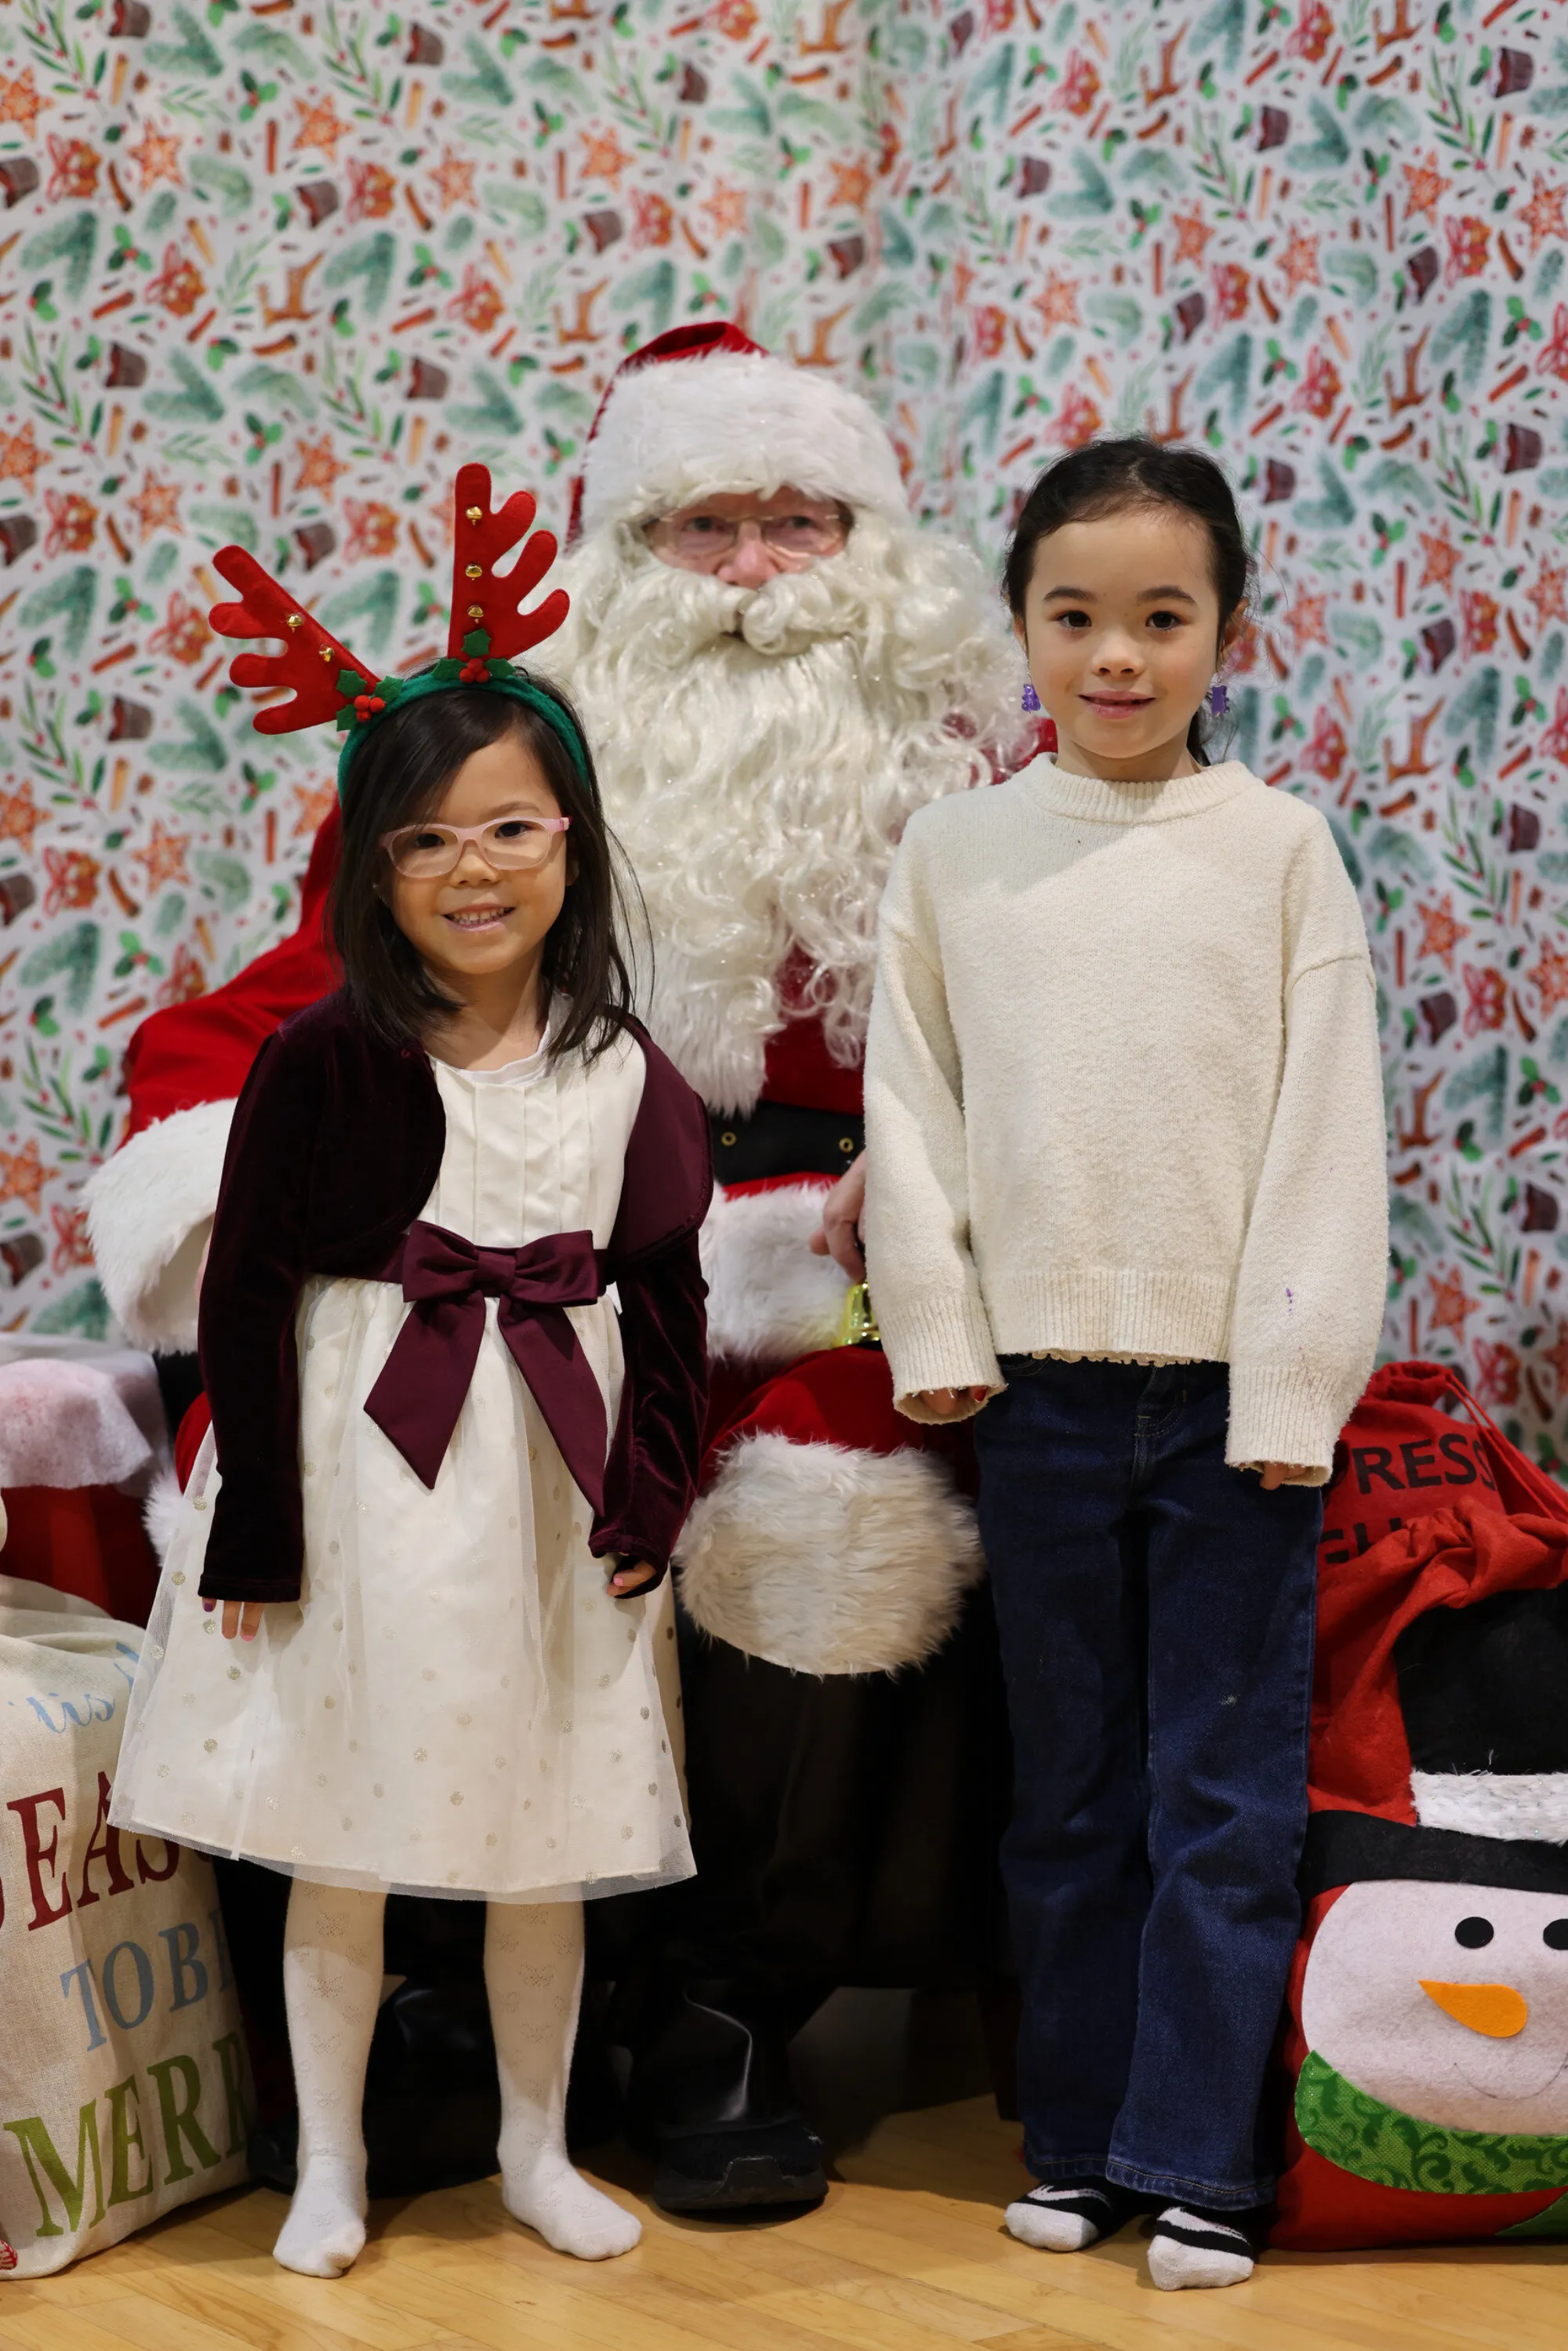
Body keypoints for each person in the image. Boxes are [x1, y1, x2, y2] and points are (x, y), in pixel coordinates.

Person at [88, 326, 1030, 2213]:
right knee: (379, 1468)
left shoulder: (977, 775)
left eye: (800, 520)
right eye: (704, 525)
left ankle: (721, 2006)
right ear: (624, 551)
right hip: (510, 1245)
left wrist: (937, 1178)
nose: (755, 571)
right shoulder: (507, 769)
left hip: (847, 1250)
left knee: (829, 1491)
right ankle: (444, 1991)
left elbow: (1066, 1051)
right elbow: (287, 1013)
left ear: (876, 545)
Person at [110, 472, 713, 2277]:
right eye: (429, 839)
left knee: (546, 1834)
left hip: (547, 1488)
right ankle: (330, 2162)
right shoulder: (326, 1057)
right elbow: (248, 1296)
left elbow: (664, 1292)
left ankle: (535, 2143)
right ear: (373, 865)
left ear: (572, 843)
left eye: (511, 828)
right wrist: (259, 1525)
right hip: (363, 1478)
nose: (474, 868)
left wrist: (652, 1486)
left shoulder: (620, 1064)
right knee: (339, 1832)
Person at [862, 439, 1389, 2290]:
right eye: (1073, 614)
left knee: (1223, 1797)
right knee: (1068, 1790)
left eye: (1160, 618)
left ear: (1224, 634)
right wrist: (939, 1333)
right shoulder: (957, 852)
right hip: (1038, 1396)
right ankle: (1078, 2139)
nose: (1114, 655)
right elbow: (910, 1109)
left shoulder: (1276, 850)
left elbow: (1327, 1134)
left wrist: (1294, 1387)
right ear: (1021, 626)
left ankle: (1199, 2161)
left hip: (1234, 1400)